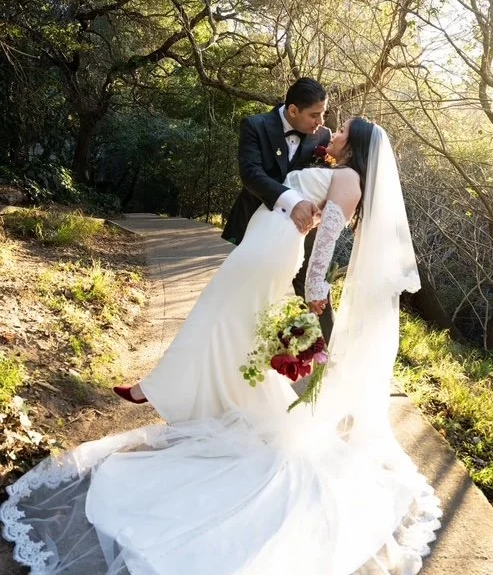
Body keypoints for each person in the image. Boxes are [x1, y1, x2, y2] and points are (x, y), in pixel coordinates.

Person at [0, 118, 441, 575]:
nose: (335, 133)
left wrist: (313, 293)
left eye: (345, 131)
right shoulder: (336, 169)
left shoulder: (349, 178)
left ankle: (161, 387)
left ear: (360, 144)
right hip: (263, 246)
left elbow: (325, 243)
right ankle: (221, 403)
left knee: (215, 316)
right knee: (230, 330)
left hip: (267, 254)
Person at [222, 77, 334, 341]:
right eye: (314, 115)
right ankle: (241, 342)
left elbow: (328, 179)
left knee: (314, 285)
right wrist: (292, 202)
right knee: (250, 284)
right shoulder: (255, 125)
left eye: (323, 114)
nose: (320, 122)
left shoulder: (323, 135)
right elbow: (251, 174)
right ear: (293, 110)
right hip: (258, 224)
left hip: (305, 230)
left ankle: (329, 351)